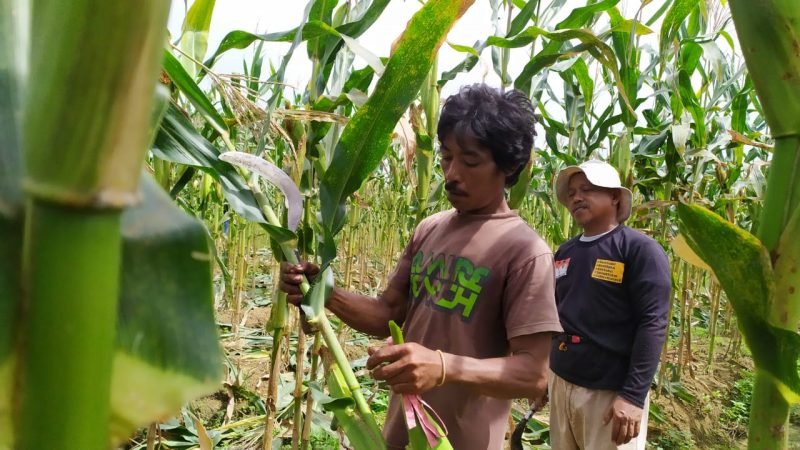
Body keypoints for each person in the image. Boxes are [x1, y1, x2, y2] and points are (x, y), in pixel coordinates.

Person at [279, 84, 562, 450]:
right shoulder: (430, 228)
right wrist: (323, 292)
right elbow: (387, 315)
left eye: (470, 161)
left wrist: (442, 367)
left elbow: (533, 374)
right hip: (400, 431)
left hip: (465, 439)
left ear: (509, 166)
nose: (452, 173)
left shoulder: (524, 251)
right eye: (446, 157)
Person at [548, 160, 671, 450]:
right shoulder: (565, 252)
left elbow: (653, 323)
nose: (576, 197)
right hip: (561, 383)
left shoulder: (639, 250)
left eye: (587, 189)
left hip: (609, 396)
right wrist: (546, 374)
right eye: (572, 192)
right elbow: (555, 314)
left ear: (615, 197)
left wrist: (632, 396)